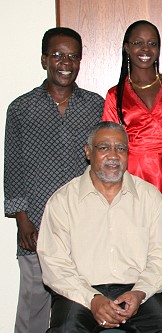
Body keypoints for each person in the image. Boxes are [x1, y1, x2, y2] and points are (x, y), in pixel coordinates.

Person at [37, 121, 162, 333]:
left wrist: (139, 292)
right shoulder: (63, 200)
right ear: (88, 152)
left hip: (136, 291)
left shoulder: (149, 197)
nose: (114, 155)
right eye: (104, 148)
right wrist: (92, 299)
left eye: (121, 148)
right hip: (81, 293)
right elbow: (54, 263)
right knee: (65, 329)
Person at [3, 27, 104, 333]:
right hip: (36, 224)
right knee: (34, 305)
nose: (65, 62)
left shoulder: (95, 106)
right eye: (58, 55)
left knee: (81, 308)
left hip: (85, 226)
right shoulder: (21, 109)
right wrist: (22, 220)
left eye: (73, 56)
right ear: (44, 58)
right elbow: (13, 167)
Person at [102, 20, 162, 313]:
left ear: (158, 49)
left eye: (152, 43)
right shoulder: (114, 95)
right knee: (132, 265)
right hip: (129, 192)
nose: (145, 49)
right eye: (138, 43)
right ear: (127, 48)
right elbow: (109, 152)